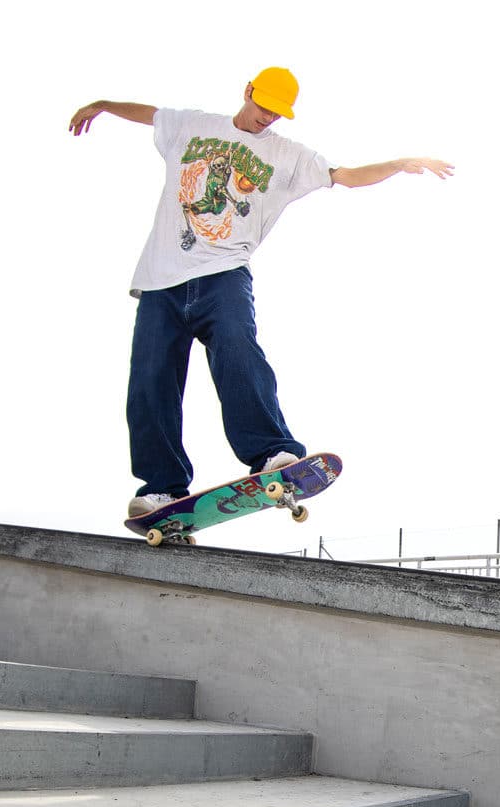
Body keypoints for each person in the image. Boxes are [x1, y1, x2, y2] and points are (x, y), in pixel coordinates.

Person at [69, 67, 453, 526]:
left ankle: (273, 453)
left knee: (237, 351)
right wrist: (105, 105)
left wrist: (397, 164)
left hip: (224, 275)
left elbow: (346, 176)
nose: (266, 118)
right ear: (247, 91)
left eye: (276, 113)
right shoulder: (193, 125)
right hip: (159, 280)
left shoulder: (287, 156)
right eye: (262, 106)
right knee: (150, 383)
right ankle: (161, 487)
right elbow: (150, 114)